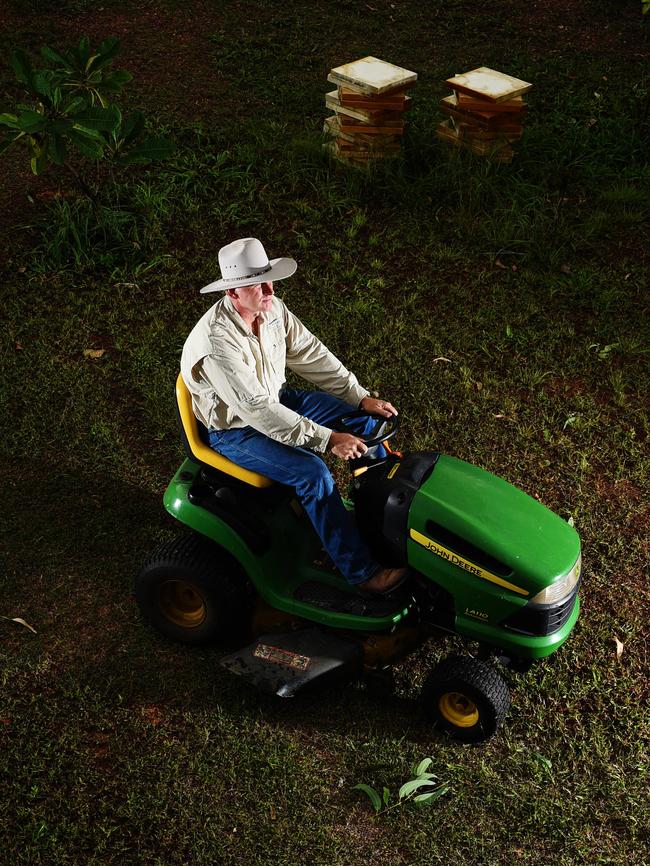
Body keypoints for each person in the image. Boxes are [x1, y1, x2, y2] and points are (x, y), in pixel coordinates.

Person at [181, 237, 407, 595]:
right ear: (233, 294)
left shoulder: (271, 309)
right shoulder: (216, 344)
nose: (270, 288)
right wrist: (327, 439)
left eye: (269, 277)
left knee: (364, 423)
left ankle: (379, 523)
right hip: (237, 430)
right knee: (313, 474)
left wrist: (359, 397)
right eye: (257, 283)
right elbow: (257, 411)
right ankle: (361, 572)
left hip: (278, 400)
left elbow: (310, 352)